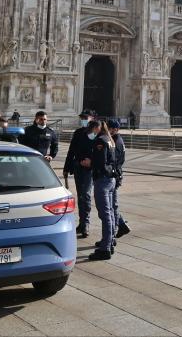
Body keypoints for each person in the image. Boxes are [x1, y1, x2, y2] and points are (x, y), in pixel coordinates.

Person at [63, 111, 98, 238]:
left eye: (85, 118)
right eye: (82, 118)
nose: (83, 120)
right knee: (81, 195)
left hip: (89, 169)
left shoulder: (95, 133)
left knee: (86, 195)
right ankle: (82, 223)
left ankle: (86, 224)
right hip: (78, 167)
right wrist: (66, 167)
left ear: (92, 118)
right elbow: (71, 150)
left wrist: (92, 162)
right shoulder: (78, 132)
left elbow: (100, 151)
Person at [88, 121, 119, 261]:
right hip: (111, 180)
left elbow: (100, 162)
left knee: (105, 214)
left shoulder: (100, 140)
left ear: (98, 128)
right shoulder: (110, 139)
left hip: (103, 180)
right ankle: (110, 242)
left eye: (93, 128)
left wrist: (90, 163)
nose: (92, 131)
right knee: (110, 212)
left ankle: (105, 248)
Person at [107, 119, 130, 237]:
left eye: (109, 128)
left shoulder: (117, 141)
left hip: (114, 176)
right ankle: (121, 224)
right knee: (111, 204)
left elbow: (115, 161)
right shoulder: (115, 139)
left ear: (115, 129)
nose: (107, 130)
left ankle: (117, 227)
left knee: (112, 204)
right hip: (115, 175)